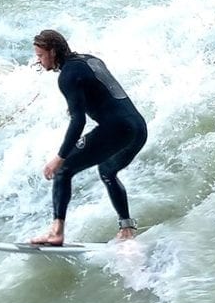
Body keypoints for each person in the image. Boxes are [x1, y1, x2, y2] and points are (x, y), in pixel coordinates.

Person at [29, 29, 147, 247]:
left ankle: (56, 233)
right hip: (138, 128)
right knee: (107, 171)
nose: (38, 61)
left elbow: (79, 121)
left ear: (53, 52)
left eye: (40, 56)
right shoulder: (90, 60)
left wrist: (59, 157)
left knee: (63, 171)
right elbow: (103, 90)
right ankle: (127, 228)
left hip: (117, 129)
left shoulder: (67, 76)